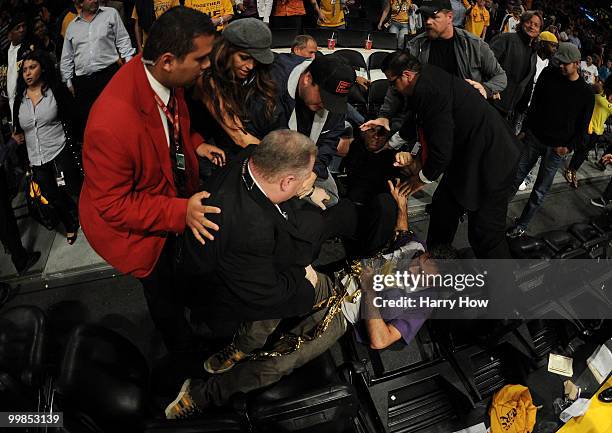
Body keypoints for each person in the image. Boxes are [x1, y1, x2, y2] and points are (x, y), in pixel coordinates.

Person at [165, 130, 354, 417]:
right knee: (278, 355)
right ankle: (207, 389)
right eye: (305, 178)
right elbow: (268, 293)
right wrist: (304, 277)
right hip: (231, 288)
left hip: (241, 266)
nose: (309, 182)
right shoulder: (252, 230)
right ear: (286, 180)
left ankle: (243, 347)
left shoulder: (249, 160)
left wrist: (305, 191)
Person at [79, 7, 221, 352]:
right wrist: (178, 213)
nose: (207, 66)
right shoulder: (110, 124)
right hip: (137, 234)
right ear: (169, 61)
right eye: (201, 58)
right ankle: (182, 355)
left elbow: (173, 126)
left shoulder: (163, 79)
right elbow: (113, 206)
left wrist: (197, 145)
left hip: (164, 199)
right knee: (163, 296)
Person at [363, 51, 520, 258]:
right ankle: (433, 262)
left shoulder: (431, 91)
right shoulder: (423, 79)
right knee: (442, 210)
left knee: (485, 235)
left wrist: (419, 179)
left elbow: (441, 152)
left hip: (493, 160)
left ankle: (504, 288)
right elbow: (416, 119)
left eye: (393, 82)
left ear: (407, 75)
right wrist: (389, 144)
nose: (392, 88)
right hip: (468, 156)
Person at [379, 0, 507, 134]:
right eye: (425, 17)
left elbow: (500, 76)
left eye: (434, 17)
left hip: (465, 119)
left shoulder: (474, 44)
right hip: (429, 120)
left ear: (449, 17)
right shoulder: (415, 46)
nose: (428, 22)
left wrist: (486, 88)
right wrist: (384, 116)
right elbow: (396, 84)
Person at [507, 43, 594, 238]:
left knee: (540, 191)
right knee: (514, 178)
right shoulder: (548, 74)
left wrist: (568, 147)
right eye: (559, 62)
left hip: (556, 148)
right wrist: (526, 129)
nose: (561, 66)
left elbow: (583, 127)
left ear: (576, 63)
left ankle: (522, 225)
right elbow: (536, 103)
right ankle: (495, 215)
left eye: (565, 64)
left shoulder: (586, 93)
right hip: (535, 137)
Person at [269, 53, 356, 209]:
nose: (325, 105)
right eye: (323, 97)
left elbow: (330, 140)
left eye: (332, 101)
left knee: (331, 198)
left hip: (307, 156)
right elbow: (268, 144)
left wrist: (314, 171)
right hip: (276, 156)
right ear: (307, 79)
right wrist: (304, 187)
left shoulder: (335, 102)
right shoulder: (273, 84)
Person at [12, 50, 81, 245]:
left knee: (72, 188)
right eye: (24, 70)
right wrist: (16, 137)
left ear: (42, 68)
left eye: (32, 67)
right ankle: (70, 224)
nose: (27, 73)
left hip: (59, 149)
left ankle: (86, 216)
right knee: (51, 196)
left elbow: (71, 115)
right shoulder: (20, 99)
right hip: (36, 158)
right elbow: (18, 128)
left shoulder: (55, 91)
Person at [188, 18, 276, 161]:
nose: (251, 66)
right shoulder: (206, 75)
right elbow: (239, 136)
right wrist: (281, 163)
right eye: (244, 57)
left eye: (256, 60)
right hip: (198, 141)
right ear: (226, 51)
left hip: (221, 139)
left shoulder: (242, 71)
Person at [60, 0, 135, 141]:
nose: (94, 0)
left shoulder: (110, 14)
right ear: (79, 3)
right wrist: (68, 82)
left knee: (117, 117)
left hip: (109, 76)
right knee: (92, 123)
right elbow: (67, 57)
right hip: (84, 84)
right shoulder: (72, 27)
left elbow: (123, 41)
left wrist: (129, 68)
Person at [489, 10, 542, 119]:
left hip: (508, 109)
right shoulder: (506, 38)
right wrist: (490, 89)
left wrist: (519, 109)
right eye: (529, 22)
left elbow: (527, 84)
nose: (532, 26)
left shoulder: (533, 53)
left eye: (536, 25)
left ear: (539, 31)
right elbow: (486, 63)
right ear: (522, 23)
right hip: (491, 100)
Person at [564, 78, 612, 189]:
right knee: (579, 148)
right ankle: (569, 169)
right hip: (587, 125)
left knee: (584, 152)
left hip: (598, 130)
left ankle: (573, 171)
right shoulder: (601, 89)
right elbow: (586, 91)